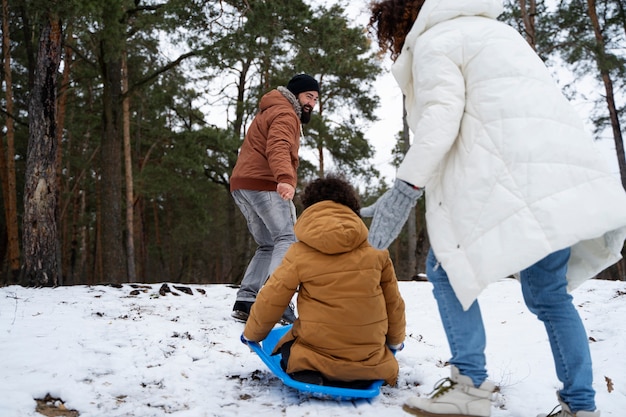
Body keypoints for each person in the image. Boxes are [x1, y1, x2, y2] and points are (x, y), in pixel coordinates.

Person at [366, 0, 626, 416]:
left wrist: (404, 188)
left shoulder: (435, 41)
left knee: (443, 266)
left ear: (402, 22)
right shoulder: (504, 34)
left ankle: (468, 384)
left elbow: (441, 118)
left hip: (507, 179)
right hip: (558, 176)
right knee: (550, 294)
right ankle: (582, 405)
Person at [241, 174, 406, 387]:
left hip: (314, 354)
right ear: (351, 207)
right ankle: (360, 372)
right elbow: (394, 304)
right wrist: (394, 341)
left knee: (287, 347)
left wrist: (252, 335)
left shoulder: (299, 252)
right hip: (370, 358)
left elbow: (271, 299)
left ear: (310, 208)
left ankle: (310, 371)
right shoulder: (377, 249)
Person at [230, 74, 320, 324]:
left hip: (243, 185)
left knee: (268, 244)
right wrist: (284, 178)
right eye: (308, 96)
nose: (311, 103)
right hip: (265, 183)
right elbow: (278, 145)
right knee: (287, 238)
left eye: (315, 98)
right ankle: (276, 300)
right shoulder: (285, 113)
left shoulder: (269, 110)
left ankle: (246, 301)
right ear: (296, 94)